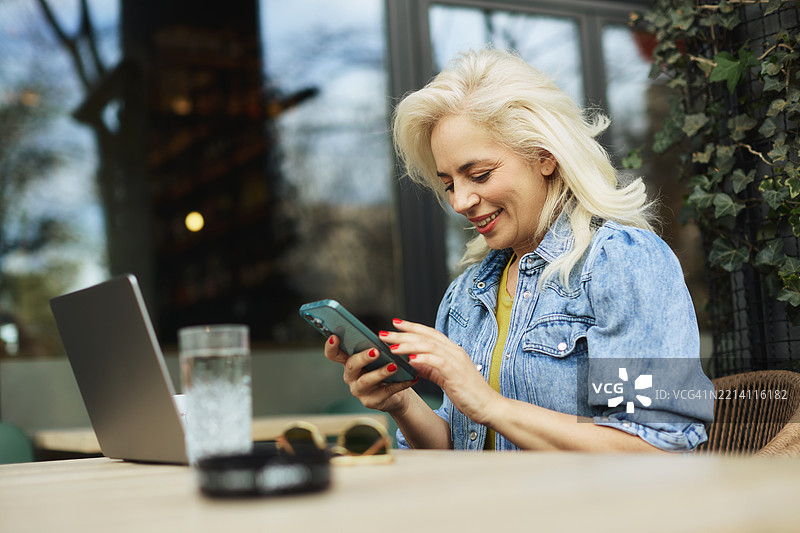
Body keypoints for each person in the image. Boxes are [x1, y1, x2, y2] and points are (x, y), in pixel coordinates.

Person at [324, 48, 714, 452]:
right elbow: (457, 446)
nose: (460, 201)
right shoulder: (467, 294)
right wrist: (401, 401)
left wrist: (490, 405)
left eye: (479, 174)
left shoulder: (619, 263)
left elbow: (656, 446)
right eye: (448, 183)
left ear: (544, 157)